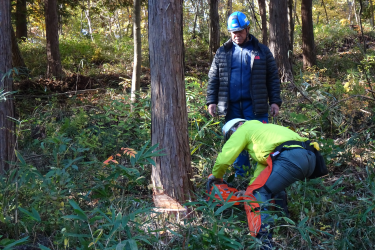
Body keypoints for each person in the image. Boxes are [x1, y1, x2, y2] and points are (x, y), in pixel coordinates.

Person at [208, 118, 320, 249]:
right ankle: (283, 224)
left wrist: (216, 177)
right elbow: (264, 172)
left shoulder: (244, 128)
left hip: (290, 157)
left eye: (230, 135)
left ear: (237, 125)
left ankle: (262, 242)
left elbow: (224, 158)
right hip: (310, 158)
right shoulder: (262, 131)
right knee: (271, 188)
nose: (231, 137)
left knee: (255, 195)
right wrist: (249, 188)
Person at [206, 11, 282, 177]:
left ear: (247, 29)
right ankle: (242, 177)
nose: (236, 35)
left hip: (256, 107)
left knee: (261, 144)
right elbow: (213, 78)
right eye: (233, 32)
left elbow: (273, 78)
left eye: (240, 31)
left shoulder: (262, 51)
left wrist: (275, 101)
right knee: (237, 144)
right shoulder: (222, 52)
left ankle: (263, 178)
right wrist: (211, 101)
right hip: (231, 107)